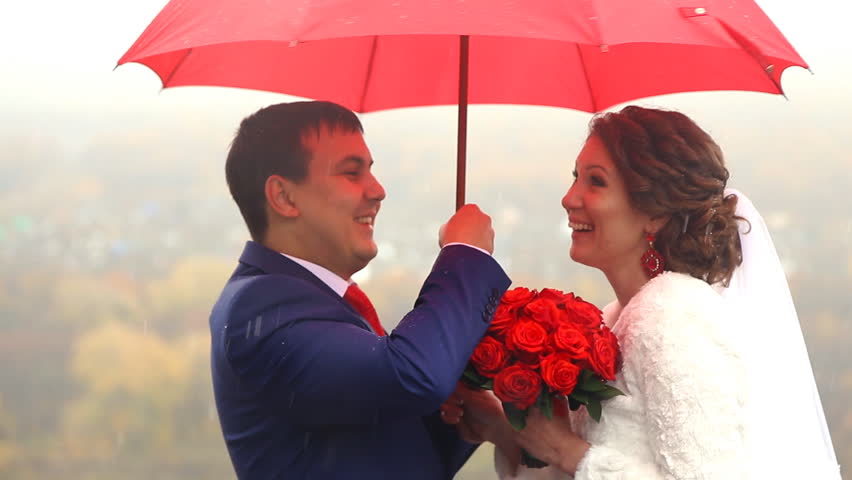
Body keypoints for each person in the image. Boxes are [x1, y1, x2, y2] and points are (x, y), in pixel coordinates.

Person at [444, 106, 841, 479]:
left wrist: (567, 450)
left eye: (596, 181)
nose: (569, 198)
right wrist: (505, 429)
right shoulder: (619, 315)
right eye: (575, 176)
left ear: (655, 213)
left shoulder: (675, 317)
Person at [209, 100, 511, 479]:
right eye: (352, 174)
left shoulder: (317, 301)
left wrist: (461, 418)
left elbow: (383, 451)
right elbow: (412, 376)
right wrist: (465, 255)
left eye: (371, 172)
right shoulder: (261, 309)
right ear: (284, 198)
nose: (378, 190)